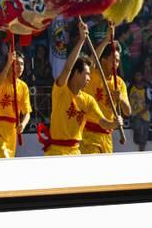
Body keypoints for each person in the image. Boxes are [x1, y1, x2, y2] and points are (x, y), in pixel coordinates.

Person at [40, 21, 123, 156]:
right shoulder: (60, 90)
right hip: (56, 152)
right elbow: (68, 67)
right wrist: (82, 40)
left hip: (76, 152)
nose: (89, 77)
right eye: (87, 74)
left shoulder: (88, 100)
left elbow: (104, 123)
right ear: (77, 73)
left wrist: (115, 123)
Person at [81, 24, 132, 154]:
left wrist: (120, 99)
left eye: (118, 61)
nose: (116, 64)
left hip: (107, 137)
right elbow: (90, 62)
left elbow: (128, 112)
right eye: (113, 60)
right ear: (103, 60)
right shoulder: (93, 74)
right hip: (89, 135)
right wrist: (106, 41)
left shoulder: (119, 83)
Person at [0, 50, 32, 158]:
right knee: (4, 158)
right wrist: (8, 63)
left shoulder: (23, 86)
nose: (20, 67)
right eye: (17, 64)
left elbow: (27, 112)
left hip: (11, 131)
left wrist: (23, 125)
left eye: (22, 64)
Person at [129, 70, 150, 151]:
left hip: (145, 117)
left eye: (139, 75)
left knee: (143, 141)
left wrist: (140, 114)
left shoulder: (146, 88)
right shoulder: (130, 88)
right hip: (134, 116)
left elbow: (149, 104)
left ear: (142, 76)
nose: (138, 77)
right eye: (136, 75)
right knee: (137, 139)